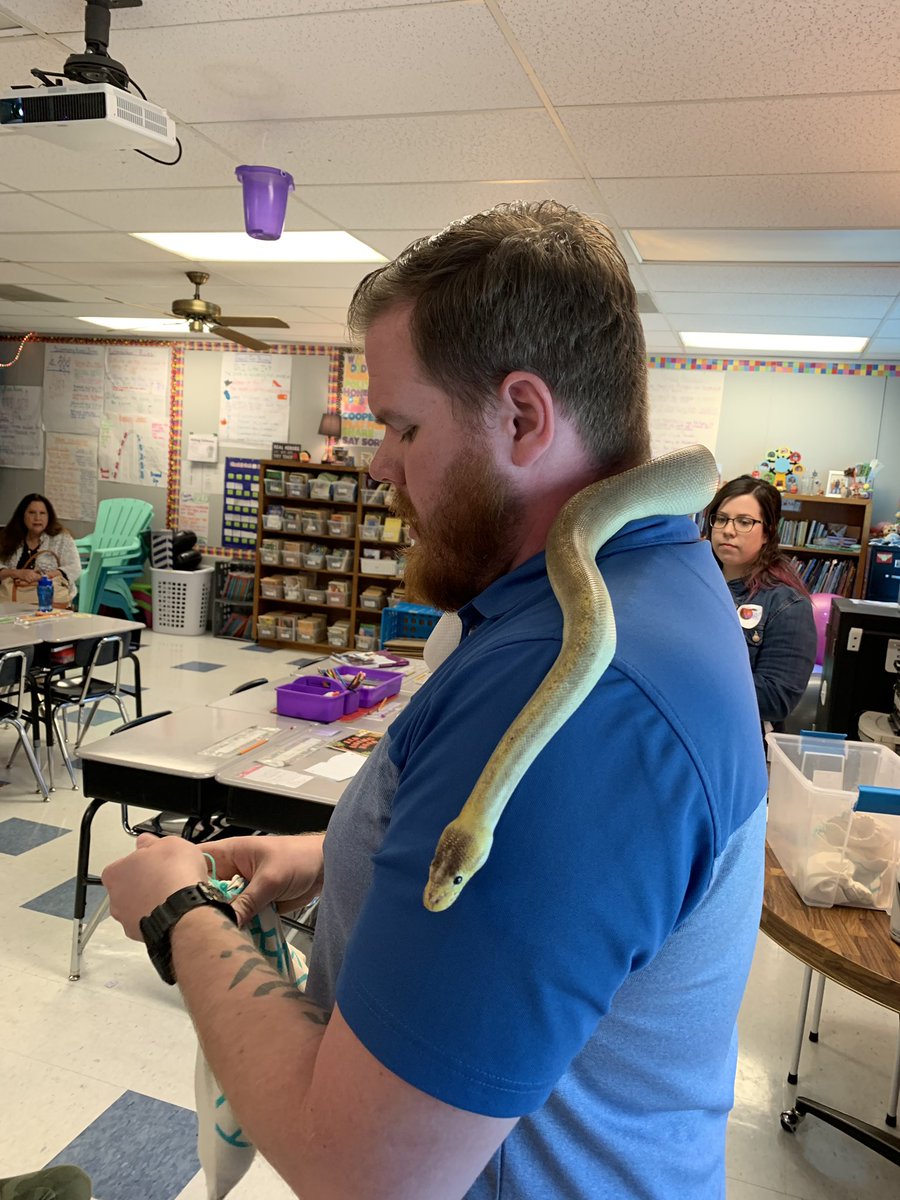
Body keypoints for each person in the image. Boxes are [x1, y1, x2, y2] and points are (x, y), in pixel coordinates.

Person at [102, 201, 769, 1200]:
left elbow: (364, 1170)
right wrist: (347, 855)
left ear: (523, 418)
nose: (378, 464)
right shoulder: (640, 580)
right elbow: (570, 910)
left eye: (403, 426)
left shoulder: (577, 702)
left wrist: (181, 913)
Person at [706, 475, 817, 730]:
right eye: (721, 519)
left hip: (739, 738)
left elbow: (776, 698)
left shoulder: (787, 604)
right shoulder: (694, 584)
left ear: (767, 532)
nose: (728, 530)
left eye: (744, 522)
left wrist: (691, 677)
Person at [0, 494, 81, 601]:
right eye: (32, 513)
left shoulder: (62, 538)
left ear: (48, 516)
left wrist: (44, 577)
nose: (37, 518)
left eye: (42, 513)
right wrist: (17, 573)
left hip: (50, 601)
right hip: (13, 599)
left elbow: (74, 568)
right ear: (22, 515)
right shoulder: (8, 537)